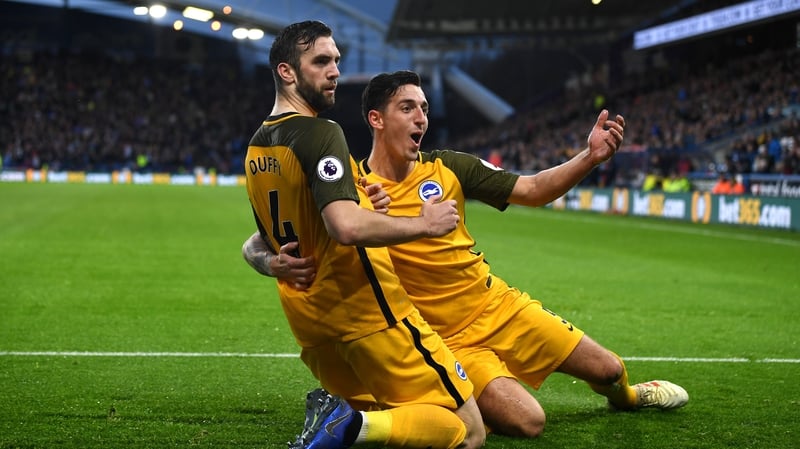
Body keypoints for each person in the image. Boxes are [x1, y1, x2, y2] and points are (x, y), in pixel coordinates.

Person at [244, 70, 689, 438]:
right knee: (528, 421)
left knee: (609, 371)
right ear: (376, 119)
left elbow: (531, 190)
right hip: (444, 339)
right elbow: (261, 238)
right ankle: (452, 398)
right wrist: (272, 262)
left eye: (424, 109)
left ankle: (631, 397)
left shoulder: (451, 167)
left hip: (497, 306)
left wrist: (588, 158)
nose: (421, 118)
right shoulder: (353, 186)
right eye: (408, 108)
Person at [245, 25, 484, 449]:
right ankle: (350, 427)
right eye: (321, 61)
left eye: (337, 60)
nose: (335, 71)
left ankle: (344, 424)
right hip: (370, 318)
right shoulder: (321, 133)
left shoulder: (257, 149)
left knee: (397, 417)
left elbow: (257, 241)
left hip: (313, 328)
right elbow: (345, 226)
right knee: (468, 431)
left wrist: (272, 263)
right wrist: (425, 225)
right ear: (286, 71)